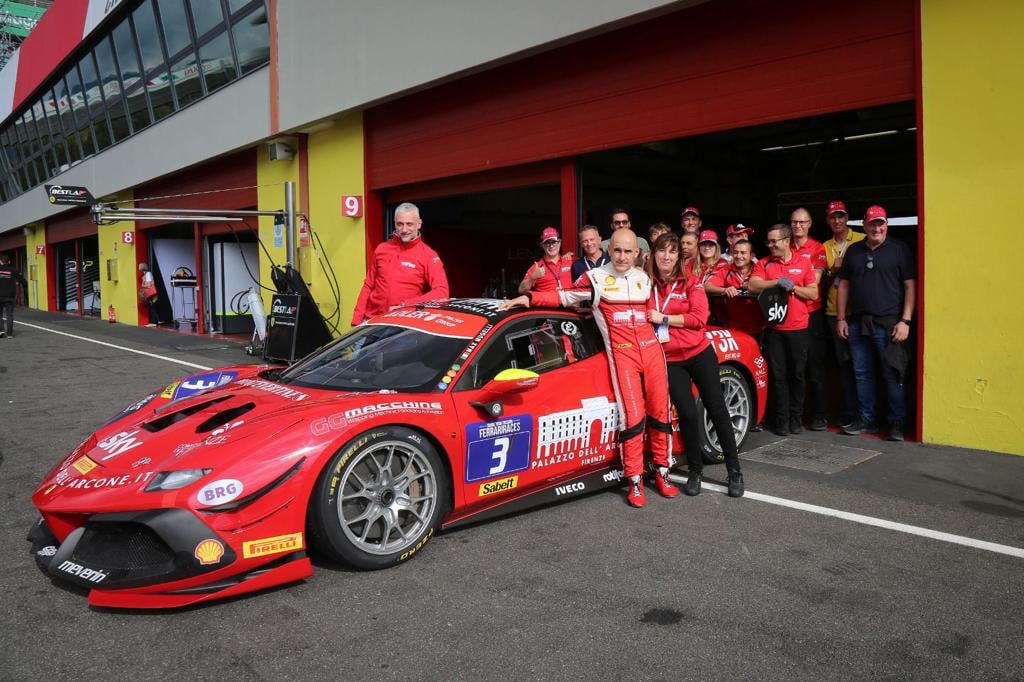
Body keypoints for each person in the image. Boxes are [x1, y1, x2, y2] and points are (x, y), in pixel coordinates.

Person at [500, 229, 678, 508]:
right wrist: (530, 298)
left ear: (637, 254)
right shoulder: (595, 278)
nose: (621, 256)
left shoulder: (644, 278)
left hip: (653, 351)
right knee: (632, 416)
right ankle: (635, 478)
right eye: (616, 250)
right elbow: (564, 296)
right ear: (609, 251)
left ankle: (664, 471)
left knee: (660, 411)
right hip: (623, 355)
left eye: (627, 252)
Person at [646, 233, 743, 497]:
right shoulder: (645, 284)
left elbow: (699, 318)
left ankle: (734, 471)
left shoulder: (691, 280)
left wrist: (664, 318)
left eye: (672, 252)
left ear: (679, 257)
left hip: (699, 353)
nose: (666, 256)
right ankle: (695, 471)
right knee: (687, 413)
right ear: (654, 254)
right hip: (670, 360)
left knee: (717, 410)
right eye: (662, 251)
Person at [837, 205, 915, 441]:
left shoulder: (899, 249)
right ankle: (867, 420)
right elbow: (844, 285)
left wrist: (906, 321)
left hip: (890, 322)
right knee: (862, 373)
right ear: (864, 226)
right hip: (859, 322)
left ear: (887, 225)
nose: (877, 228)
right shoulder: (853, 251)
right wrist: (841, 318)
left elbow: (910, 285)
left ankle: (897, 422)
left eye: (880, 223)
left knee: (893, 373)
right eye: (872, 223)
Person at [748, 224, 818, 436]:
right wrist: (778, 282)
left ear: (786, 241)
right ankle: (781, 421)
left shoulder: (804, 263)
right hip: (774, 329)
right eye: (768, 241)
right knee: (778, 376)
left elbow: (813, 294)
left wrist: (794, 288)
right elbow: (753, 285)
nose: (770, 245)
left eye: (774, 241)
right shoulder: (764, 262)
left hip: (799, 328)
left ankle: (796, 420)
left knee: (797, 375)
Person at [351, 202, 450, 325]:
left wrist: (406, 305)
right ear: (395, 223)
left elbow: (442, 292)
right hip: (372, 322)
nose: (404, 230)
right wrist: (357, 319)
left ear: (419, 224)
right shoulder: (382, 249)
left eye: (409, 224)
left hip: (402, 325)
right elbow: (368, 285)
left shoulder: (429, 255)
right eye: (400, 224)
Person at [822, 200, 865, 428]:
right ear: (828, 220)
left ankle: (866, 413)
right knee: (844, 365)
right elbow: (820, 283)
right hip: (832, 312)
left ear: (847, 217)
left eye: (841, 216)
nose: (837, 220)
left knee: (862, 365)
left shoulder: (861, 239)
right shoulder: (824, 246)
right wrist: (833, 270)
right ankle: (850, 411)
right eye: (832, 217)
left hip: (858, 311)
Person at [789, 207, 828, 430]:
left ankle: (820, 414)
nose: (798, 226)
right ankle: (796, 415)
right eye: (794, 222)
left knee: (814, 367)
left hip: (812, 313)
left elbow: (814, 281)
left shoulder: (817, 248)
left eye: (802, 222)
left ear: (810, 223)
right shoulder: (785, 246)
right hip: (790, 314)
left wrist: (792, 282)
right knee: (795, 367)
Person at [705, 240, 764, 339]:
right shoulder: (727, 269)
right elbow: (706, 286)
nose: (738, 256)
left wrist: (753, 285)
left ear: (752, 255)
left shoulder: (759, 270)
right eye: (735, 252)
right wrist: (724, 290)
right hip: (733, 328)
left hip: (760, 328)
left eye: (743, 253)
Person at [520, 226, 575, 293]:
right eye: (547, 243)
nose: (551, 246)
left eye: (554, 242)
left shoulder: (569, 260)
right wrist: (532, 278)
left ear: (559, 242)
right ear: (542, 246)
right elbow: (521, 290)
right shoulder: (537, 267)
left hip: (569, 303)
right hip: (548, 302)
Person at [0, 254, 28, 338]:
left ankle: (1, 331)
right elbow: (23, 281)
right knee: (9, 315)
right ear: (9, 262)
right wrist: (24, 286)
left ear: (0, 261)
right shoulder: (13, 270)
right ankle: (9, 334)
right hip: (10, 296)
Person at [138, 262, 161, 327]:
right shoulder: (146, 274)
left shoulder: (148, 274)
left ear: (142, 267)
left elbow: (149, 285)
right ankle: (157, 321)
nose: (138, 267)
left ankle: (153, 322)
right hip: (150, 293)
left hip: (151, 293)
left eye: (139, 266)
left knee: (152, 307)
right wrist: (143, 281)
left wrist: (143, 282)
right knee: (152, 306)